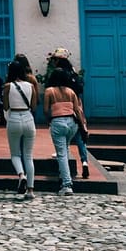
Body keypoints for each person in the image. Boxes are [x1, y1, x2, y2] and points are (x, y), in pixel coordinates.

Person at [43, 67, 87, 196]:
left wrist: (49, 120)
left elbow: (46, 110)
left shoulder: (49, 91)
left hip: (58, 122)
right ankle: (63, 175)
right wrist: (83, 126)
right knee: (66, 149)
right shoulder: (71, 92)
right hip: (72, 123)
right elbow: (77, 110)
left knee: (61, 153)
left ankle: (67, 184)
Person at [47, 47, 90, 177]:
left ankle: (65, 176)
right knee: (79, 136)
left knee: (63, 138)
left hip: (63, 106)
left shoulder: (58, 73)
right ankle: (84, 161)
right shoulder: (73, 72)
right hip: (76, 104)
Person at [3, 57, 37, 200]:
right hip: (28, 118)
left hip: (14, 117)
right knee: (28, 156)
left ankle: (21, 175)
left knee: (15, 154)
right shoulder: (31, 86)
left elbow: (5, 106)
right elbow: (34, 106)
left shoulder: (7, 86)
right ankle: (30, 190)